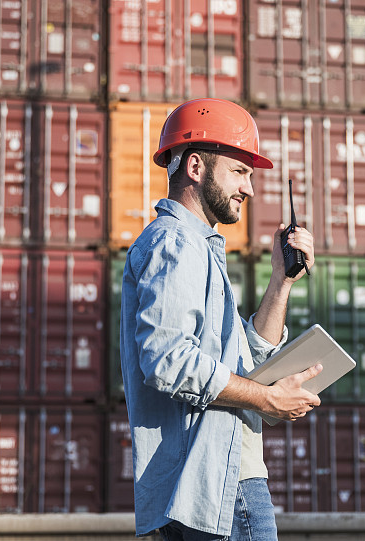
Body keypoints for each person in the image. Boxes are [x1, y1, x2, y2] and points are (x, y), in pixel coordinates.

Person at [120, 98, 322, 540]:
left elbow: (245, 363)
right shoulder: (175, 244)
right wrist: (267, 400)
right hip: (219, 482)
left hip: (210, 482)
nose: (249, 189)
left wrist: (281, 281)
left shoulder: (197, 249)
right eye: (240, 172)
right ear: (195, 167)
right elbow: (169, 360)